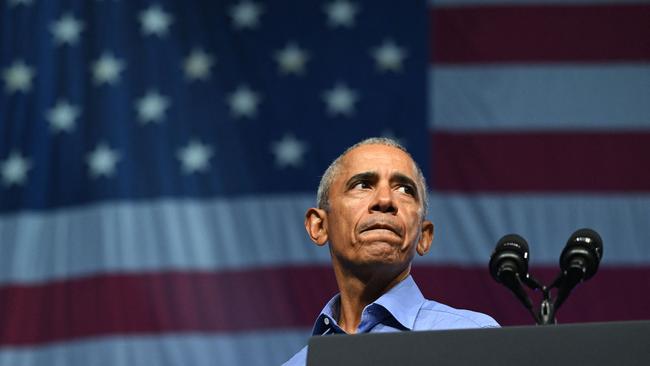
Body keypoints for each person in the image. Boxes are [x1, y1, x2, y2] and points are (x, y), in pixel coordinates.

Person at [282, 137, 498, 365]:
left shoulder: (473, 339)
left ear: (423, 237)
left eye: (405, 189)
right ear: (319, 226)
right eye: (362, 184)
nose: (385, 200)